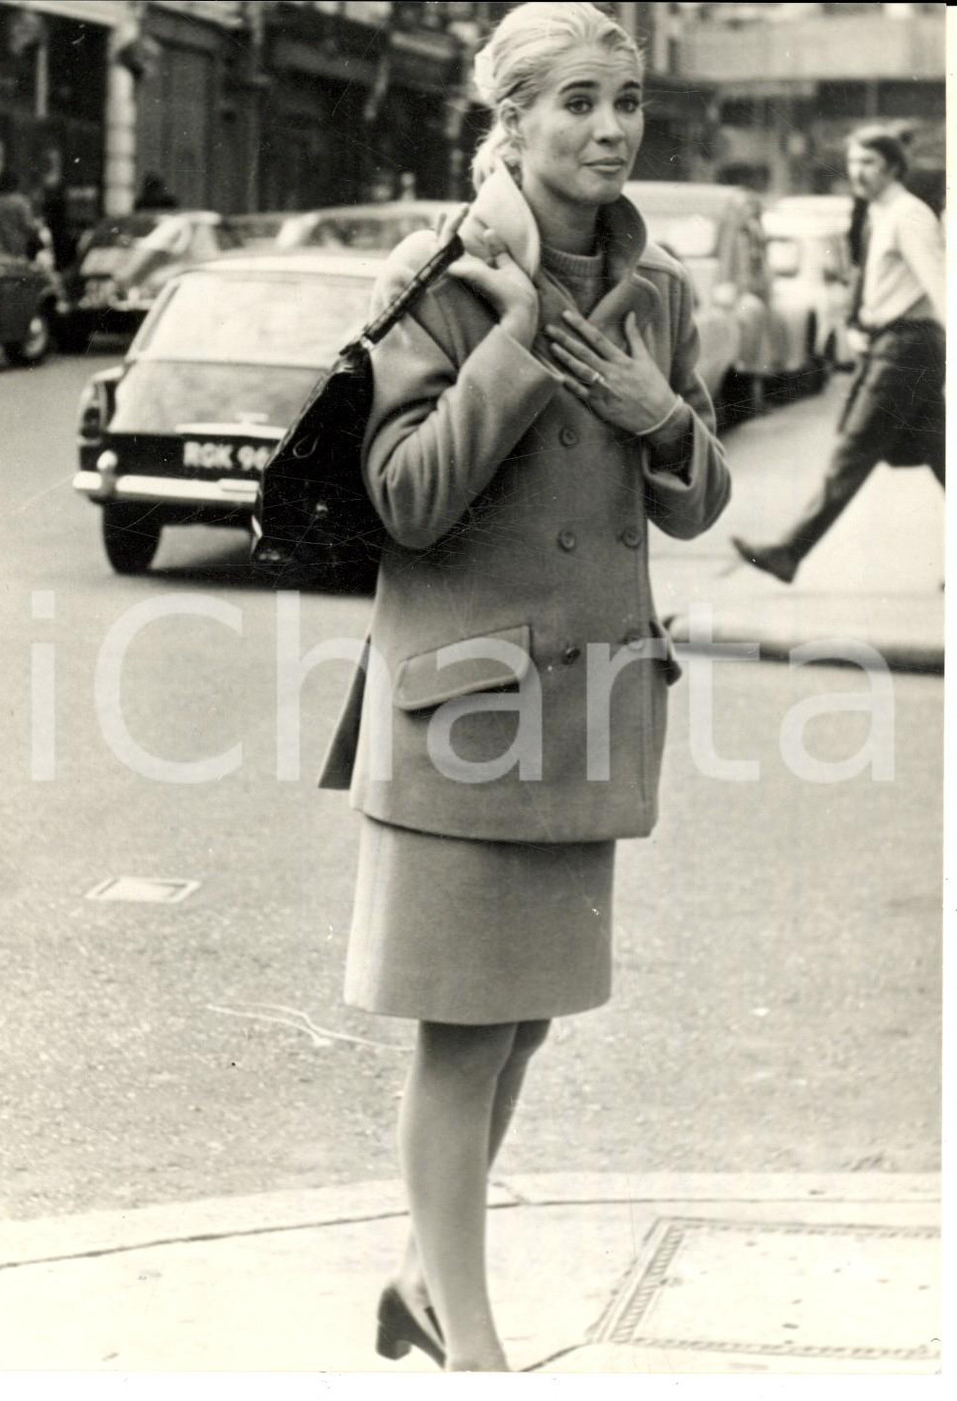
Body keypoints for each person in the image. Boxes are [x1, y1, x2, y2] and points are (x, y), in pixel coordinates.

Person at [319, 1, 730, 1372]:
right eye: (578, 103)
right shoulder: (434, 272)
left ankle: (421, 1280)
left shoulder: (658, 288)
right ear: (509, 120)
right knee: (464, 1026)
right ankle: (472, 1343)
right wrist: (510, 339)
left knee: (528, 1019)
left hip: (589, 700)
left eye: (627, 102)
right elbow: (407, 500)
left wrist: (655, 414)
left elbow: (691, 500)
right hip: (467, 707)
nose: (612, 128)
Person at [732, 126, 945, 584]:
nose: (858, 172)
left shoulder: (908, 216)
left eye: (869, 163)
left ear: (892, 166)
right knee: (943, 454)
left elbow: (938, 283)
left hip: (907, 348)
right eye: (852, 163)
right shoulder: (880, 213)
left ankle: (790, 550)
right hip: (897, 343)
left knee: (854, 449)